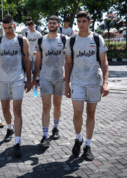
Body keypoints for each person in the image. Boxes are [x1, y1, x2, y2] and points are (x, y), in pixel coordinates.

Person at [64, 11, 109, 161]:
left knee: (91, 113)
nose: (81, 24)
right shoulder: (71, 40)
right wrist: (66, 85)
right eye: (79, 21)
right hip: (77, 81)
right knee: (77, 112)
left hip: (94, 81)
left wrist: (106, 82)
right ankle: (78, 138)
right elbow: (68, 63)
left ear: (89, 22)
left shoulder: (97, 39)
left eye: (84, 21)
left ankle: (88, 145)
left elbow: (104, 62)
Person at [0, 15, 32, 158]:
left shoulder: (22, 40)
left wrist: (29, 80)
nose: (7, 30)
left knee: (17, 109)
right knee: (5, 109)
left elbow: (27, 59)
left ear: (14, 26)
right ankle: (10, 128)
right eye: (4, 28)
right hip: (3, 80)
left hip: (17, 79)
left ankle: (17, 143)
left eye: (9, 27)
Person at [32, 15, 67, 148]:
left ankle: (56, 128)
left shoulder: (64, 39)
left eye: (54, 23)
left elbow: (69, 60)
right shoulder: (41, 40)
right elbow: (38, 60)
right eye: (50, 23)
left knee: (57, 105)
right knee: (46, 106)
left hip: (60, 78)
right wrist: (34, 78)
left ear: (58, 25)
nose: (51, 25)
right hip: (45, 77)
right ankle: (45, 136)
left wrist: (68, 75)